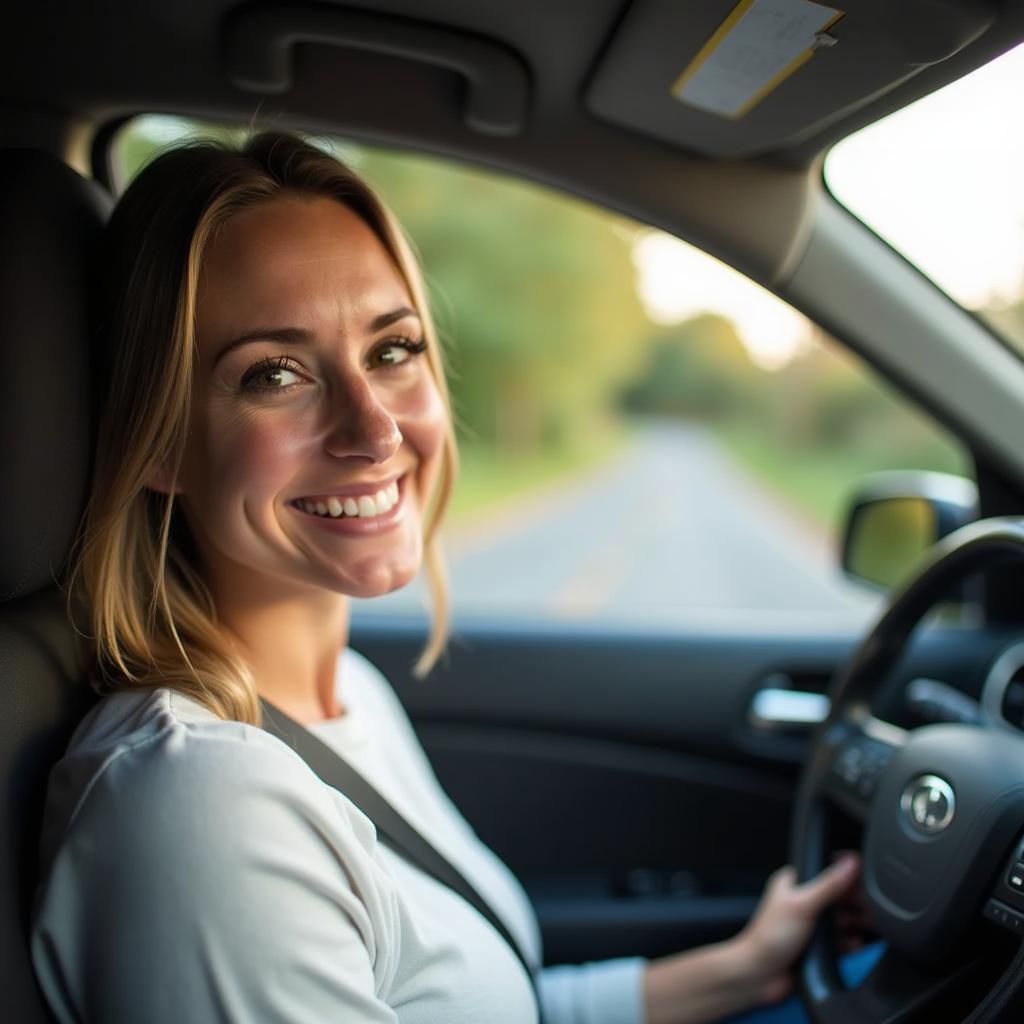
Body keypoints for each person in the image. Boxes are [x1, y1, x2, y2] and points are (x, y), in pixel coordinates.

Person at [30, 132, 872, 1024]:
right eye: (275, 373)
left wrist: (741, 971)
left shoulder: (343, 695)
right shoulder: (198, 808)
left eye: (392, 350)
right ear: (158, 441)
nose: (375, 431)